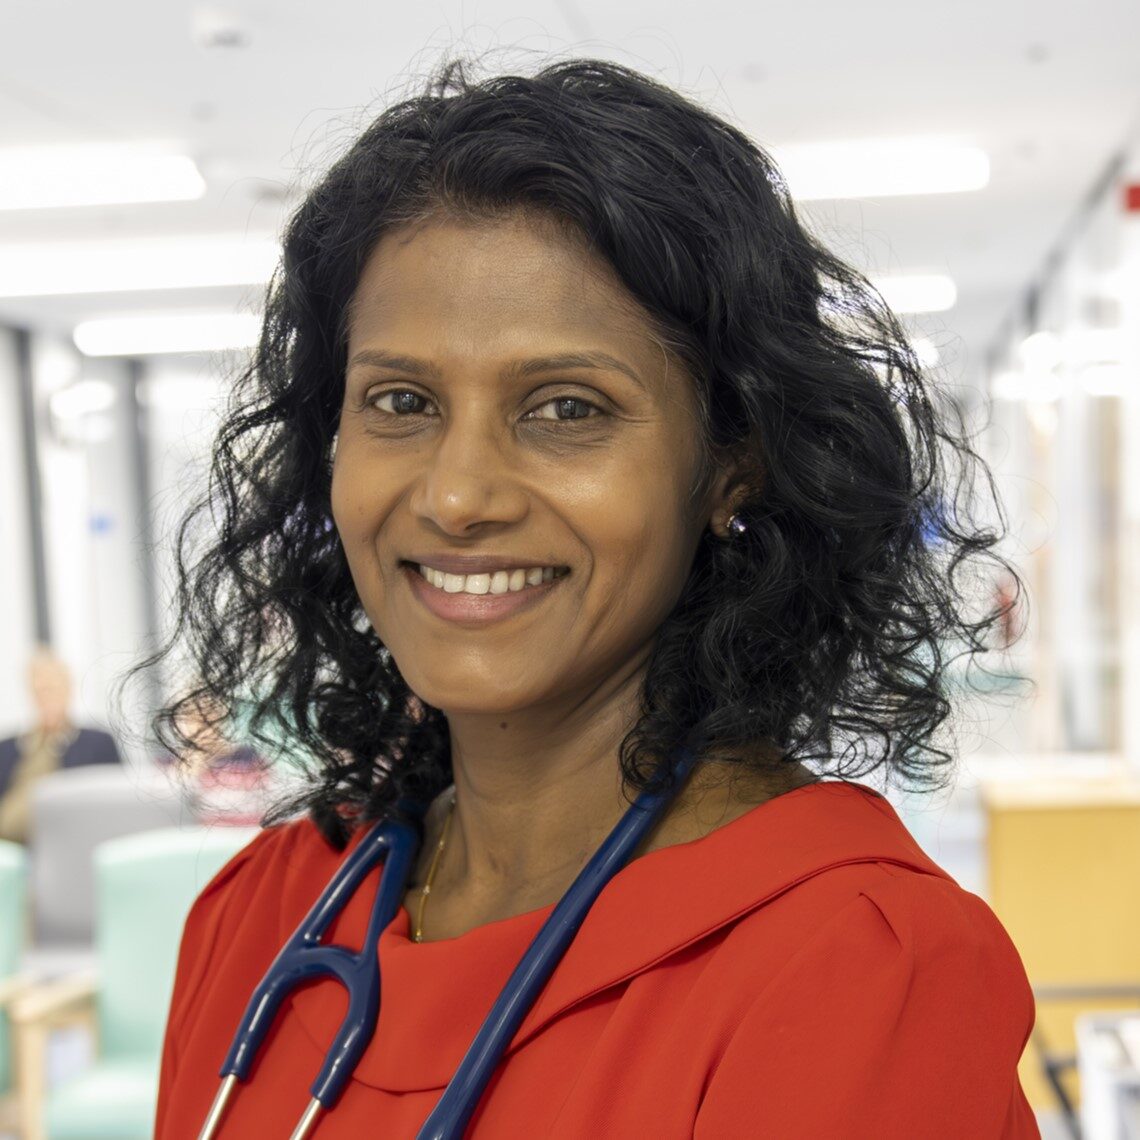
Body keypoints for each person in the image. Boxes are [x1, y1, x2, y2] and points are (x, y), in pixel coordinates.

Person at [150, 56, 1038, 1137]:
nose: (458, 494)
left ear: (732, 466)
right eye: (400, 401)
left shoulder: (854, 960)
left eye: (565, 408)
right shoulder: (258, 918)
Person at [0, 648, 121, 844]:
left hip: (72, 841)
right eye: (41, 690)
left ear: (68, 690)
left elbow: (114, 804)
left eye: (54, 688)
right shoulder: (7, 748)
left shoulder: (96, 743)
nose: (47, 697)